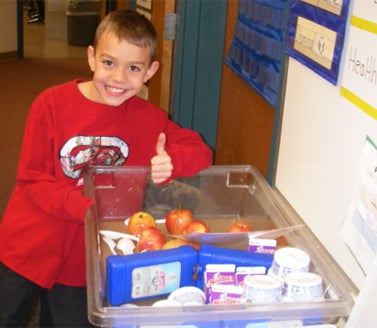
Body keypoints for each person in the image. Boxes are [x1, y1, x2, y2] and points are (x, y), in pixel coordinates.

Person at [0, 9, 212, 327]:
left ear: (150, 71)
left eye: (134, 68)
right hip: (29, 242)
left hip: (86, 259)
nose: (118, 78)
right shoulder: (51, 104)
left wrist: (171, 162)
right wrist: (89, 208)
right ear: (91, 57)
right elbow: (32, 179)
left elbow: (201, 152)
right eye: (109, 62)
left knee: (69, 320)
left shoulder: (149, 118)